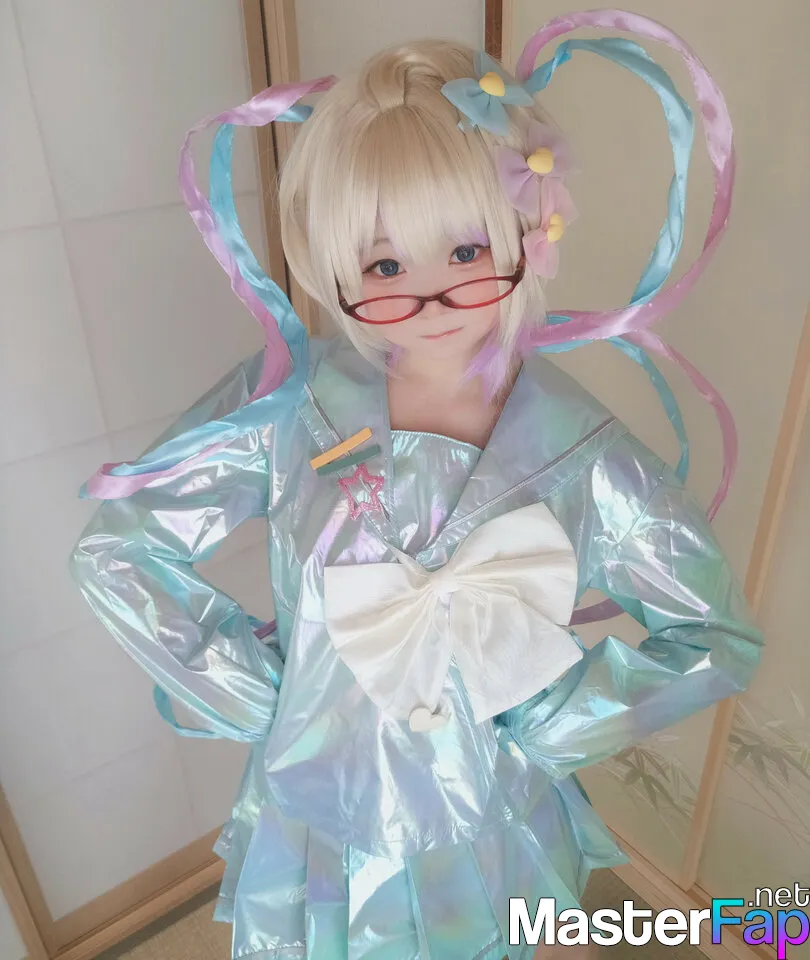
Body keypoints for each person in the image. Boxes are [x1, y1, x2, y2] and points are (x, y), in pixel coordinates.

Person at [70, 10, 763, 959]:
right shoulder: (288, 404)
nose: (431, 295)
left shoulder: (588, 456)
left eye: (467, 251)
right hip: (317, 820)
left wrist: (550, 725)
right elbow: (120, 549)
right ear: (338, 265)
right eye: (386, 263)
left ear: (529, 230)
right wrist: (266, 699)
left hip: (483, 825)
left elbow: (716, 636)